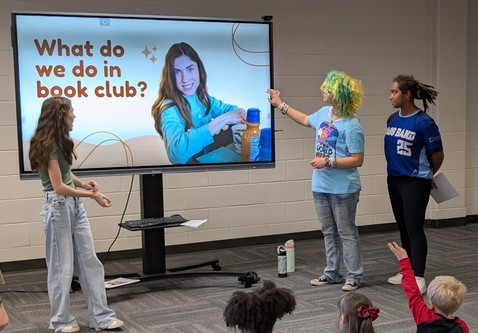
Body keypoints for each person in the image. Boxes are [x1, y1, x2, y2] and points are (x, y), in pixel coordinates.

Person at [28, 96, 123, 333]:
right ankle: (61, 320)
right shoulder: (46, 144)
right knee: (62, 267)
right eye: (72, 111)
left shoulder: (61, 142)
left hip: (73, 205)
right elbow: (58, 186)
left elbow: (67, 175)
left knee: (90, 260)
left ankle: (101, 317)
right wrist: (92, 196)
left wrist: (84, 185)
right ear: (61, 114)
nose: (74, 116)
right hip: (58, 207)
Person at [268, 72, 365, 290]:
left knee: (346, 233)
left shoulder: (352, 125)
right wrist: (280, 104)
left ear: (338, 94)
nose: (323, 90)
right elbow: (304, 119)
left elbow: (358, 159)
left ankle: (354, 276)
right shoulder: (323, 113)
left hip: (344, 189)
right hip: (320, 186)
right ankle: (332, 273)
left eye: (327, 88)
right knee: (328, 231)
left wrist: (328, 162)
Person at [384, 74, 444, 290]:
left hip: (415, 182)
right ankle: (406, 271)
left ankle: (419, 275)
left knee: (414, 228)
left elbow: (437, 156)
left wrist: (426, 175)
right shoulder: (392, 119)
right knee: (403, 227)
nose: (390, 96)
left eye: (394, 92)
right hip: (395, 180)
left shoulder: (424, 122)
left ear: (407, 94)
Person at [151, 42, 246, 165]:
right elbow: (176, 155)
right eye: (177, 72)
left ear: (199, 69)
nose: (185, 79)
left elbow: (231, 110)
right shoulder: (168, 109)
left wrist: (239, 114)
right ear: (170, 76)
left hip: (210, 159)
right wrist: (222, 120)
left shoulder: (202, 98)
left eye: (190, 69)